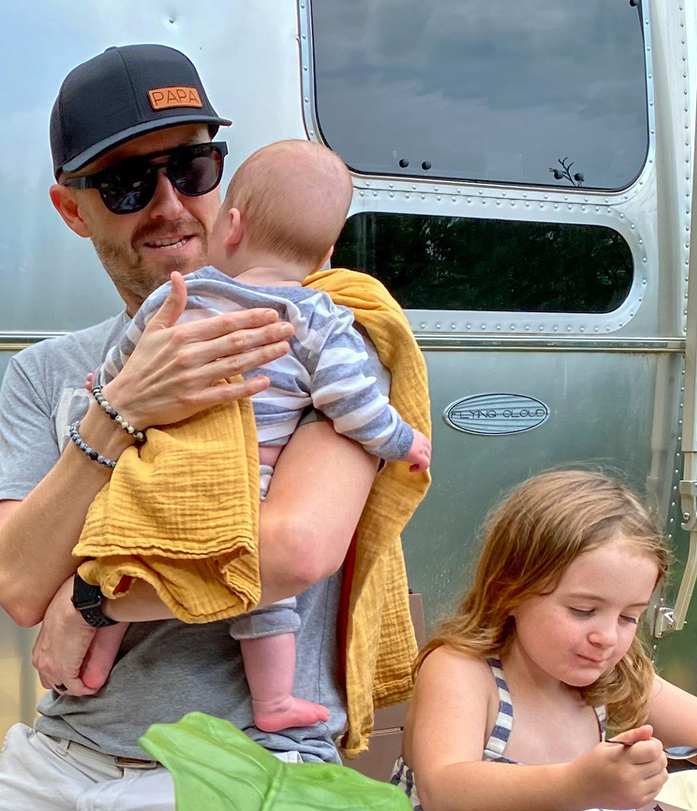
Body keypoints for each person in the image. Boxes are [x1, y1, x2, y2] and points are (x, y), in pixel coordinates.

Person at [0, 43, 400, 811]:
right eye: (128, 183)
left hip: (237, 770)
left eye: (192, 166)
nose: (170, 204)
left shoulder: (320, 334)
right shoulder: (48, 373)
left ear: (229, 186)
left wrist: (92, 602)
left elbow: (290, 552)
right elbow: (20, 583)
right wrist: (120, 412)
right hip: (57, 761)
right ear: (72, 210)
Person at [77, 139, 432, 732]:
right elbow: (351, 404)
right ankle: (272, 702)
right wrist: (401, 440)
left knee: (126, 547)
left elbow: (127, 366)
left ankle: (91, 670)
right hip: (251, 478)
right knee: (268, 596)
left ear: (231, 226)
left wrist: (102, 391)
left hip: (163, 464)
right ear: (326, 253)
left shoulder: (180, 295)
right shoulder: (319, 319)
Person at [390, 471, 697, 811]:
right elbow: (444, 790)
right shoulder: (462, 670)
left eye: (629, 617)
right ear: (509, 592)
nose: (607, 637)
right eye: (584, 610)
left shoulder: (616, 677)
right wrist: (577, 785)